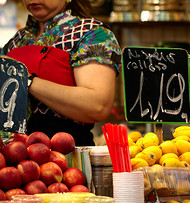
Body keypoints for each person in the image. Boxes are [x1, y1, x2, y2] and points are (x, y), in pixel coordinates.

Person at [1, 0, 122, 146]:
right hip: (15, 158)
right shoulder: (17, 40)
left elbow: (97, 106)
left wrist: (25, 80)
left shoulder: (92, 33)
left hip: (68, 156)